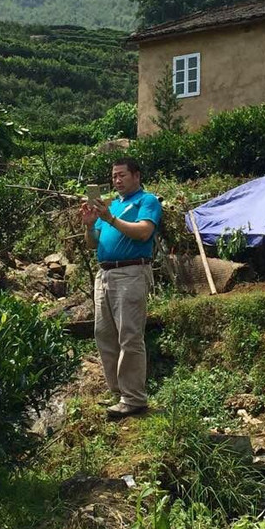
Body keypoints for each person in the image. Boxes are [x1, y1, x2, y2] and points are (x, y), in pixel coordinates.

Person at [79, 157, 162, 420]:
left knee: (129, 336)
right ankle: (119, 393)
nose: (117, 180)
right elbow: (93, 244)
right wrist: (91, 224)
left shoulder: (146, 201)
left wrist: (110, 218)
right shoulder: (111, 205)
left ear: (136, 176)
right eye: (114, 176)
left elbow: (143, 233)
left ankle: (134, 398)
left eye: (122, 175)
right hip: (104, 274)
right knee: (104, 334)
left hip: (131, 272)